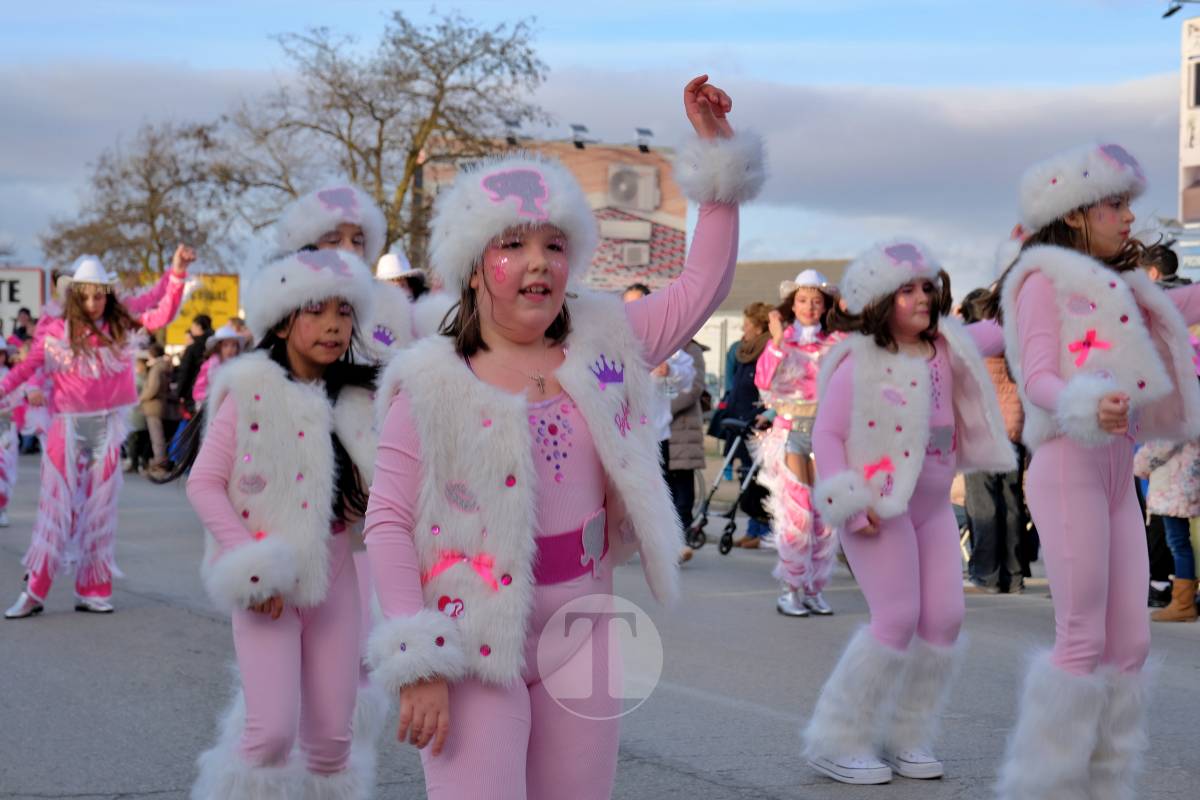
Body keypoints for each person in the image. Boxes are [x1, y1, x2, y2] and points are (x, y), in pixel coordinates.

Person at [364, 74, 762, 799]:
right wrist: (417, 659)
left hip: (585, 629)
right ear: (473, 267)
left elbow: (701, 285)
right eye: (513, 244)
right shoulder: (429, 382)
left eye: (554, 243)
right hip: (471, 638)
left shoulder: (606, 340)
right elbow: (388, 524)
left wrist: (717, 166)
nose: (539, 261)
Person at [992, 143, 1200, 799]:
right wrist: (1089, 400)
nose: (1128, 218)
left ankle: (1106, 786)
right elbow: (1040, 375)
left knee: (1131, 644)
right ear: (1077, 212)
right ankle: (1046, 789)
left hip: (1116, 474)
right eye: (1116, 205)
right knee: (1081, 639)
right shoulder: (1038, 280)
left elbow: (1184, 306)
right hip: (1066, 466)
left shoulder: (1124, 287)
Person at [802, 240, 1012, 785]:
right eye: (907, 289)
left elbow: (1004, 323)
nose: (923, 297)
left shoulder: (946, 344)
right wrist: (849, 506)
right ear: (876, 299)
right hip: (878, 508)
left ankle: (908, 734)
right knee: (895, 619)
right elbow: (826, 432)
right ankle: (838, 739)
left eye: (927, 286)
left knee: (943, 619)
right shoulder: (859, 359)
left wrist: (1026, 257)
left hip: (934, 505)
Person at [179, 248, 381, 799]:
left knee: (333, 742)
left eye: (344, 310)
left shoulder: (361, 396)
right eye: (316, 309)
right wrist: (253, 569)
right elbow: (203, 483)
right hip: (269, 585)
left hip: (337, 577)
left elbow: (389, 486)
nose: (334, 324)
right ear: (285, 317)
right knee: (269, 735)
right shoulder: (250, 389)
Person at [2, 248, 191, 618]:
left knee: (100, 511)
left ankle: (93, 588)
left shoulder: (120, 325)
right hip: (68, 425)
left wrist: (178, 273)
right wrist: (11, 389)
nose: (92, 302)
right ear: (74, 295)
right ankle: (35, 590)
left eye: (99, 294)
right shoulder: (56, 329)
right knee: (55, 510)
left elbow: (160, 311)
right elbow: (27, 368)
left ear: (107, 293)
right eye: (85, 295)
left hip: (107, 424)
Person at [754, 270, 842, 613]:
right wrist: (776, 342)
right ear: (793, 303)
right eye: (803, 300)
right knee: (798, 514)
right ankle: (791, 589)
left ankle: (814, 588)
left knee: (824, 518)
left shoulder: (835, 342)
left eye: (816, 301)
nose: (809, 307)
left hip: (825, 432)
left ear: (825, 306)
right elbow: (763, 381)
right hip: (790, 430)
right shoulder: (783, 339)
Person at [960, 285, 1031, 594]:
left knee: (983, 505)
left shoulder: (972, 347)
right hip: (1014, 430)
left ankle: (985, 575)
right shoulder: (1015, 344)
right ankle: (1014, 576)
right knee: (1012, 504)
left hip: (982, 433)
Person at [1133, 438, 1200, 622]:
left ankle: (1183, 604)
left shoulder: (1175, 412)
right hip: (1186, 482)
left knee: (1178, 543)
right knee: (1183, 542)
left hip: (1173, 486)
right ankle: (1185, 600)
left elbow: (1161, 444)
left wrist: (1139, 464)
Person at [191, 323, 246, 408]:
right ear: (218, 347)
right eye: (225, 345)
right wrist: (211, 398)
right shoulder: (209, 366)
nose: (230, 349)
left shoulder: (240, 366)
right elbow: (198, 390)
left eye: (234, 345)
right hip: (213, 408)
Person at [177, 314, 214, 414]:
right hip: (214, 392)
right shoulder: (216, 345)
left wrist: (180, 393)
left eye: (193, 326)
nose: (192, 329)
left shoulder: (194, 347)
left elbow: (185, 372)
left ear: (199, 327)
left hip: (194, 393)